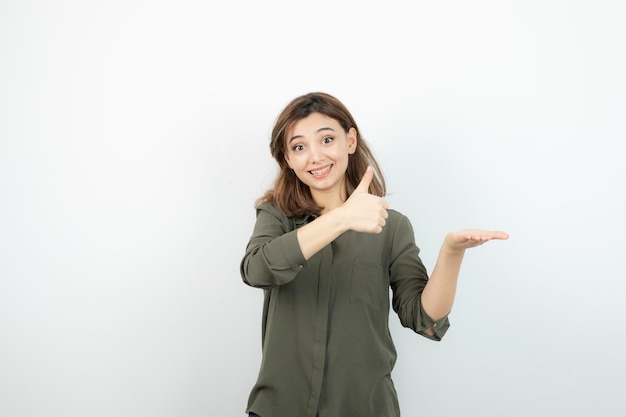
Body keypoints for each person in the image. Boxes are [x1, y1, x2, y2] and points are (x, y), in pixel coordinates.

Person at [240, 92, 508, 417]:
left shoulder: (391, 227)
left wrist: (451, 253)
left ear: (350, 140)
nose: (315, 156)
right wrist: (340, 218)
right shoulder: (276, 215)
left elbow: (423, 319)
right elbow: (257, 269)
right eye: (299, 147)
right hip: (279, 408)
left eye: (327, 139)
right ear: (287, 157)